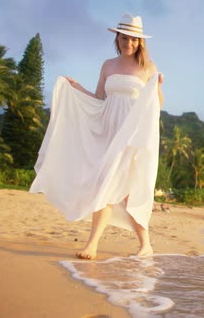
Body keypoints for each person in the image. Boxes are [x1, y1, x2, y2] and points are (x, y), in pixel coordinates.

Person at [30, 14, 164, 260]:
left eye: (134, 40)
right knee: (108, 187)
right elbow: (100, 99)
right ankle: (140, 244)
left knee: (122, 191)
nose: (129, 43)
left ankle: (123, 244)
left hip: (130, 135)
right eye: (125, 38)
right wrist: (77, 89)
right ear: (118, 37)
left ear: (140, 42)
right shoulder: (108, 65)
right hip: (108, 132)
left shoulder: (149, 68)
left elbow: (156, 106)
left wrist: (159, 87)